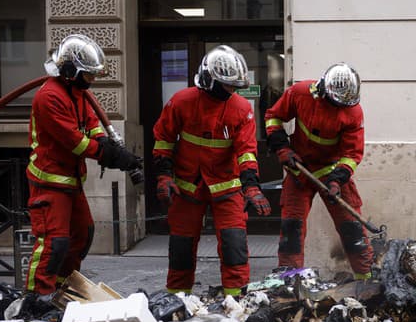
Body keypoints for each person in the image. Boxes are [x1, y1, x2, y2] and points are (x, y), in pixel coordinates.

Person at [25, 34, 142, 295]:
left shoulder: (78, 93)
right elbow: (75, 142)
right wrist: (111, 156)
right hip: (49, 180)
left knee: (82, 234)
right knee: (54, 242)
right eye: (88, 74)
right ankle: (35, 297)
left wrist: (108, 145)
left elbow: (91, 125)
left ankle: (62, 288)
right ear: (70, 71)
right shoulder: (49, 97)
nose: (92, 79)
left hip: (71, 179)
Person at [152, 45, 271, 298]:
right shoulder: (181, 102)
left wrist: (252, 186)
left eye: (234, 86)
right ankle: (177, 300)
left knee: (234, 245)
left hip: (228, 187)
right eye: (227, 85)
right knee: (181, 247)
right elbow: (163, 139)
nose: (231, 91)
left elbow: (247, 151)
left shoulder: (241, 108)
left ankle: (236, 300)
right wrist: (164, 175)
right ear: (209, 80)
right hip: (187, 187)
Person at [265, 62, 374, 280]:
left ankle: (367, 281)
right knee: (292, 229)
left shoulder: (353, 112)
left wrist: (337, 180)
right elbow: (273, 117)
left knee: (352, 229)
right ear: (324, 91)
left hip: (332, 171)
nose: (339, 108)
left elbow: (352, 154)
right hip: (300, 170)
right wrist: (282, 148)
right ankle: (290, 281)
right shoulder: (299, 94)